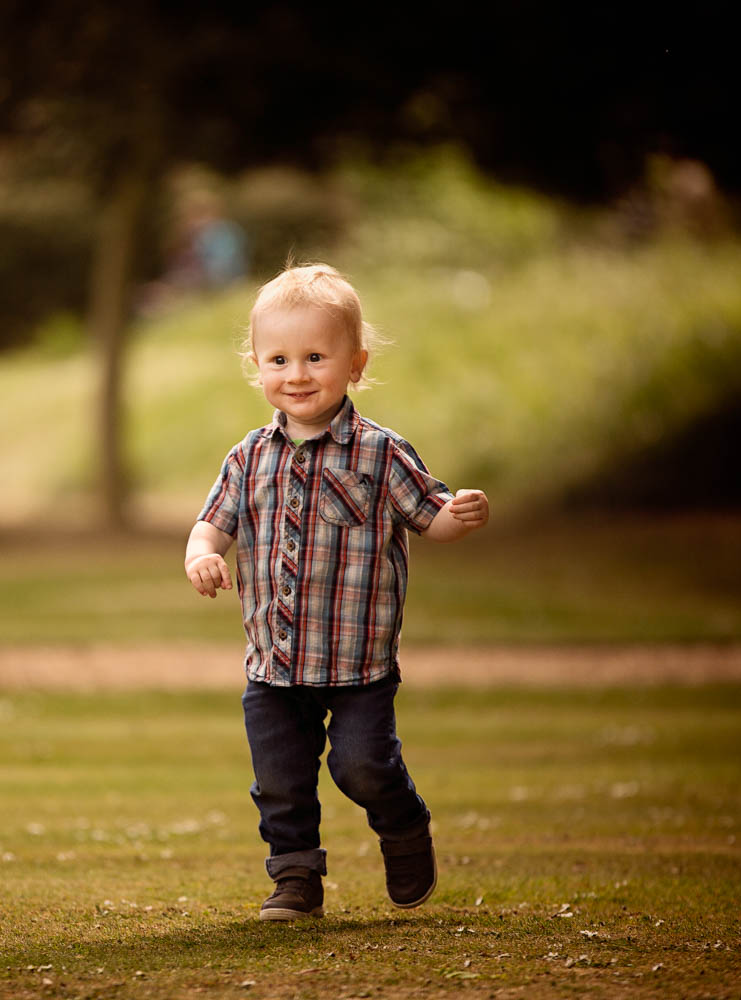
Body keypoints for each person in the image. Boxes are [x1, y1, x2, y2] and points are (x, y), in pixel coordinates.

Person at [183, 262, 490, 921]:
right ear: (258, 366)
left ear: (355, 363)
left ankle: (403, 821)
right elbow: (212, 524)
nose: (296, 374)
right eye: (279, 358)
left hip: (358, 665)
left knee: (361, 766)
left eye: (316, 356)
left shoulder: (380, 454)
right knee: (281, 784)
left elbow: (428, 515)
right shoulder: (248, 457)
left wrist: (455, 516)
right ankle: (295, 881)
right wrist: (202, 554)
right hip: (274, 666)